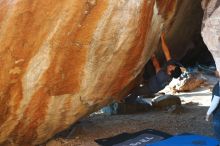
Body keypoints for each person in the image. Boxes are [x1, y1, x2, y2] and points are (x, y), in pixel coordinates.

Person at [125, 33, 184, 104]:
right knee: (147, 66)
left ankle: (127, 103)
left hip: (151, 88)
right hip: (154, 79)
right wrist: (162, 38)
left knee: (136, 91)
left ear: (170, 72)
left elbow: (156, 65)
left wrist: (153, 56)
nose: (171, 65)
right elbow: (166, 52)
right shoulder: (171, 68)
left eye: (171, 67)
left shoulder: (163, 76)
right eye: (173, 66)